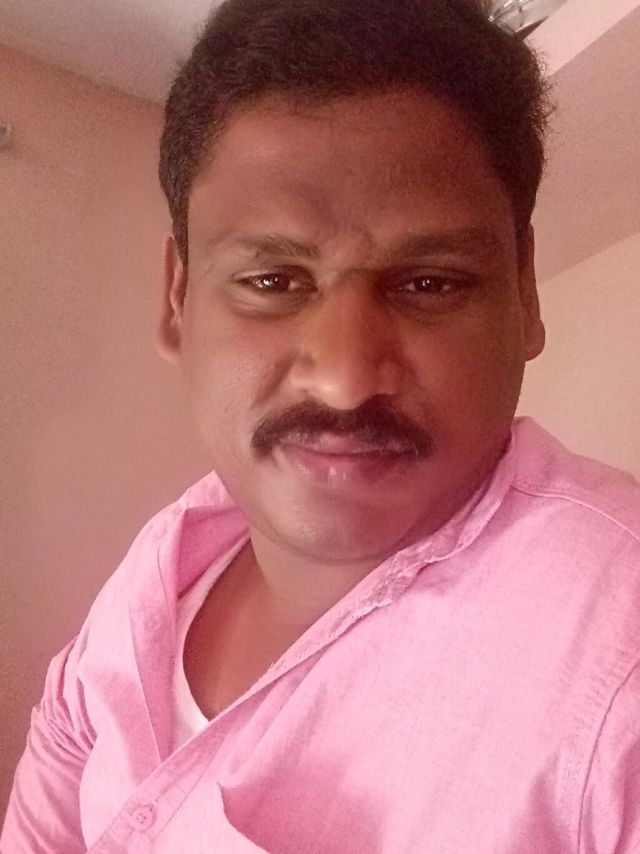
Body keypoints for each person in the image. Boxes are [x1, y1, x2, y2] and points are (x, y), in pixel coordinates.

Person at [3, 0, 640, 851]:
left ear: (524, 294)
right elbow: (63, 749)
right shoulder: (171, 558)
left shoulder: (617, 656)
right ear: (177, 298)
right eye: (273, 281)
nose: (344, 380)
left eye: (430, 283)